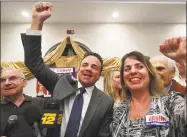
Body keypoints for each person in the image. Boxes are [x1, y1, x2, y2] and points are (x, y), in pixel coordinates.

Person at [21, 2, 113, 137]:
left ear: (99, 75)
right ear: (78, 68)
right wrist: (37, 22)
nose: (88, 69)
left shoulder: (106, 101)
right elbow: (33, 62)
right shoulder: (61, 83)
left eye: (94, 67)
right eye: (85, 65)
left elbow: (103, 134)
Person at [110, 50, 186, 137]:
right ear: (123, 80)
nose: (133, 71)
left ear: (150, 74)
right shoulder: (118, 110)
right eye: (127, 69)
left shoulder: (170, 103)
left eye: (139, 67)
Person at [0, 68, 45, 137]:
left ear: (24, 82)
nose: (7, 83)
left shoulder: (42, 103)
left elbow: (52, 131)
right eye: (2, 80)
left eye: (12, 78)